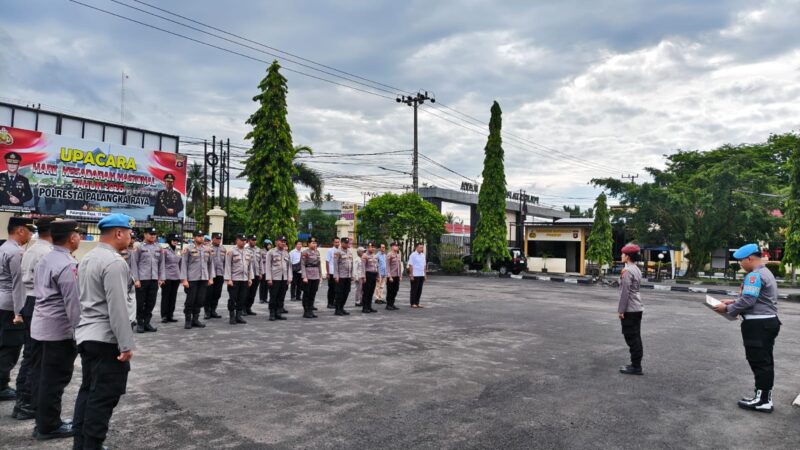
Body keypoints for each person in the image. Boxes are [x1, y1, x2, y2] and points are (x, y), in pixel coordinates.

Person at [72, 213, 136, 450]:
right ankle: (92, 445)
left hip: (88, 334)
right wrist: (126, 344)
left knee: (88, 391)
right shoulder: (115, 262)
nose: (131, 237)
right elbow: (117, 307)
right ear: (118, 233)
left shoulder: (88, 258)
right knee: (104, 396)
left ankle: (81, 443)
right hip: (107, 338)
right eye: (129, 232)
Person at [29, 219, 83, 440]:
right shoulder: (66, 264)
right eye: (78, 234)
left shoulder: (47, 258)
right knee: (54, 380)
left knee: (41, 377)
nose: (79, 238)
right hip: (58, 330)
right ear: (72, 237)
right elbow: (73, 304)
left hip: (40, 326)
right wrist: (80, 333)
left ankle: (43, 421)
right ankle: (49, 426)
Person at [713, 243, 781, 412]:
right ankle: (763, 397)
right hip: (767, 322)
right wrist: (734, 302)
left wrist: (727, 309)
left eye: (741, 261)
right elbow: (756, 299)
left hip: (758, 325)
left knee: (759, 362)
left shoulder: (754, 276)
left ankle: (763, 401)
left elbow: (749, 300)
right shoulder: (766, 273)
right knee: (765, 361)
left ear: (749, 258)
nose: (740, 264)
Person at [13, 216, 55, 420]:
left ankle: (22, 400)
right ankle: (27, 403)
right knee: (37, 356)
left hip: (29, 301)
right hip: (39, 301)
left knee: (30, 354)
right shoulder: (47, 252)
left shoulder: (32, 248)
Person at [0, 217, 35, 403]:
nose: (31, 235)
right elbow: (18, 285)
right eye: (29, 231)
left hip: (2, 302)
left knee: (3, 344)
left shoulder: (3, 248)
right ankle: (1, 386)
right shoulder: (16, 252)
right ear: (20, 230)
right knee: (10, 347)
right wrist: (18, 312)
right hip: (9, 305)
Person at [617, 244, 644, 376]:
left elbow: (624, 292)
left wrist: (621, 310)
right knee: (636, 336)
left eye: (623, 254)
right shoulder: (636, 269)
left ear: (627, 256)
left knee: (632, 338)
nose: (621, 256)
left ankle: (636, 367)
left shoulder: (627, 271)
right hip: (637, 307)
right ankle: (635, 364)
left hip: (630, 309)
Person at [130, 227, 163, 333]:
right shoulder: (139, 247)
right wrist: (136, 279)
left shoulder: (158, 247)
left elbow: (161, 264)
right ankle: (140, 323)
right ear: (145, 235)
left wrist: (161, 278)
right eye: (150, 234)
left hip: (154, 279)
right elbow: (134, 264)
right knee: (140, 303)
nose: (153, 236)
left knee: (151, 302)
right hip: (142, 279)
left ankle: (147, 322)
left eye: (154, 234)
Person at [179, 230, 214, 330]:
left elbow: (211, 265)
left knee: (200, 300)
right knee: (190, 300)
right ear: (194, 237)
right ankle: (188, 320)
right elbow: (184, 265)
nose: (201, 238)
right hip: (192, 279)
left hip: (203, 278)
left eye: (202, 236)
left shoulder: (207, 249)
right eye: (199, 236)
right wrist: (184, 280)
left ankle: (195, 319)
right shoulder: (188, 249)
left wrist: (211, 278)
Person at [224, 234, 252, 325]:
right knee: (233, 299)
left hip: (244, 279)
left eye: (244, 240)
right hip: (234, 279)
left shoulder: (248, 252)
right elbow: (227, 265)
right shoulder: (231, 251)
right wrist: (229, 279)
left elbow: (249, 266)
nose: (243, 242)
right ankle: (232, 316)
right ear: (237, 240)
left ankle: (238, 316)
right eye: (241, 240)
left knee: (242, 298)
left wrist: (250, 278)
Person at [265, 236, 291, 321]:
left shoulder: (286, 253)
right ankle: (272, 313)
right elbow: (268, 266)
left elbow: (289, 266)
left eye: (284, 241)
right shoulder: (271, 252)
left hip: (284, 278)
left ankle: (278, 313)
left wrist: (289, 277)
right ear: (277, 242)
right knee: (273, 296)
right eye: (282, 241)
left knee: (281, 296)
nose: (283, 243)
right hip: (275, 278)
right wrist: (269, 278)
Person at [159, 233, 182, 323]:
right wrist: (162, 277)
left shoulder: (178, 251)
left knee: (173, 297)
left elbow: (180, 264)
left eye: (177, 240)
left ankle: (170, 315)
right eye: (173, 240)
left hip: (176, 277)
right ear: (169, 240)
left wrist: (181, 276)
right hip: (167, 277)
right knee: (166, 297)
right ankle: (164, 316)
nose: (175, 241)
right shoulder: (165, 251)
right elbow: (162, 265)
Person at [204, 232, 226, 320]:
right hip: (210, 275)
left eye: (220, 239)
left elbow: (225, 263)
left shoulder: (223, 249)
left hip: (220, 274)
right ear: (212, 239)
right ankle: (207, 312)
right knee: (208, 294)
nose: (219, 240)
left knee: (217, 293)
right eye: (217, 238)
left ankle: (213, 310)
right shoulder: (207, 248)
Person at [333, 237, 356, 316]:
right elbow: (335, 265)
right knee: (339, 293)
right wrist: (336, 276)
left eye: (348, 243)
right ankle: (337, 309)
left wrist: (352, 275)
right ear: (342, 243)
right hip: (341, 276)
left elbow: (351, 264)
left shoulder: (350, 252)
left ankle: (342, 307)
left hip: (348, 276)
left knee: (346, 292)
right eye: (346, 243)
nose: (347, 244)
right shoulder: (337, 252)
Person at [300, 237, 322, 319]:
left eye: (315, 243)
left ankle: (310, 310)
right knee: (307, 294)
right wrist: (304, 276)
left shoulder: (317, 252)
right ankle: (306, 311)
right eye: (312, 243)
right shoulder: (305, 252)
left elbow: (319, 264)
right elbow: (302, 265)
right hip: (308, 275)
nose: (314, 244)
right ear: (308, 244)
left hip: (315, 275)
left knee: (313, 293)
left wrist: (320, 275)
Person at [244, 235, 261, 316]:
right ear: (248, 240)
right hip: (248, 275)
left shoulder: (258, 249)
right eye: (252, 240)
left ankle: (248, 308)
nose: (254, 241)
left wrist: (261, 273)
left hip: (256, 274)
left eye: (255, 240)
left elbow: (260, 262)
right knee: (246, 293)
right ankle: (243, 308)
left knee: (253, 293)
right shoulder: (245, 249)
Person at [407, 243, 427, 308]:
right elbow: (410, 265)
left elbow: (424, 265)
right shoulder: (413, 255)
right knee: (414, 289)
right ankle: (412, 303)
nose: (422, 249)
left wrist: (425, 274)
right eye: (420, 247)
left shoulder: (423, 255)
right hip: (415, 274)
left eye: (422, 247)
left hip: (421, 274)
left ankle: (417, 302)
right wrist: (411, 275)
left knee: (419, 290)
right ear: (417, 247)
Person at [361, 242, 379, 313]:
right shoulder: (364, 256)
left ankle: (369, 306)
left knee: (371, 292)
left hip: (374, 274)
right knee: (366, 292)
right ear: (368, 247)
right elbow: (363, 267)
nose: (373, 248)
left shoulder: (375, 256)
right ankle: (364, 307)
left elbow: (376, 266)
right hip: (367, 275)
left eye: (374, 247)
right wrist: (363, 277)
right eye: (372, 247)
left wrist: (377, 276)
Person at [385, 242, 403, 311]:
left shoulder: (398, 255)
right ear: (392, 247)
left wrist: (400, 275)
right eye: (395, 246)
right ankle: (388, 304)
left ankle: (392, 303)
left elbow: (399, 266)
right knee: (390, 290)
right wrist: (389, 276)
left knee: (395, 290)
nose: (397, 247)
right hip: (391, 276)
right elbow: (388, 266)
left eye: (397, 246)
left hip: (397, 275)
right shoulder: (389, 255)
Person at [326, 237, 340, 309]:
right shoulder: (330, 250)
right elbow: (327, 261)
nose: (337, 243)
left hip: (338, 273)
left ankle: (335, 302)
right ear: (333, 243)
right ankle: (329, 303)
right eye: (336, 242)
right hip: (331, 272)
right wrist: (328, 273)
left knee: (337, 289)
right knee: (331, 289)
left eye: (338, 242)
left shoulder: (340, 251)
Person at [259, 239, 273, 305]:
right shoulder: (261, 251)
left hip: (268, 271)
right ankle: (261, 298)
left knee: (267, 286)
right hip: (263, 270)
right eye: (268, 245)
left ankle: (265, 298)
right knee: (262, 285)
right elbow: (260, 261)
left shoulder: (271, 252)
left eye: (270, 245)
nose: (269, 246)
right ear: (265, 245)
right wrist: (260, 272)